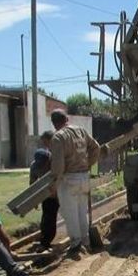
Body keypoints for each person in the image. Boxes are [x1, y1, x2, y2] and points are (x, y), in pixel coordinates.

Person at [50, 109, 100, 258]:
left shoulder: (58, 137)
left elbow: (58, 166)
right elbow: (95, 147)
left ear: (54, 123)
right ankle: (86, 242)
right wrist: (88, 164)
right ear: (67, 119)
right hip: (83, 176)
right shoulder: (81, 131)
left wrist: (54, 183)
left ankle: (76, 245)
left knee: (70, 213)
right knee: (81, 211)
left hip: (68, 179)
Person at [30, 131, 60, 252]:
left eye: (44, 165)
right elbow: (32, 183)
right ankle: (46, 240)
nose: (41, 167)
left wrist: (58, 194)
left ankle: (76, 236)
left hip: (60, 190)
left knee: (68, 214)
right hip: (47, 194)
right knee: (48, 216)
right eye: (40, 165)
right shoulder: (34, 166)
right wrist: (34, 200)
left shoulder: (55, 162)